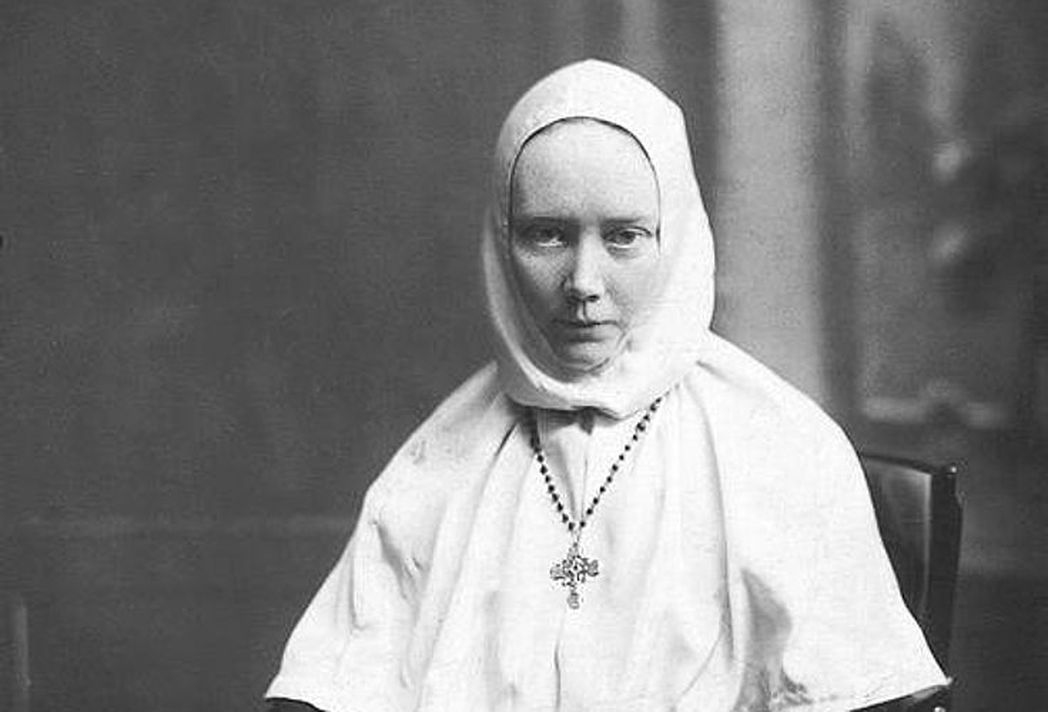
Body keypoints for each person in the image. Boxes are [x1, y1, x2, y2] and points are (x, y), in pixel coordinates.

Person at [264, 59, 947, 712]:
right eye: (547, 235)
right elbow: (335, 691)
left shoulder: (782, 447)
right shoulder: (436, 463)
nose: (583, 283)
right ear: (501, 241)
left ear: (674, 237)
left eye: (623, 237)